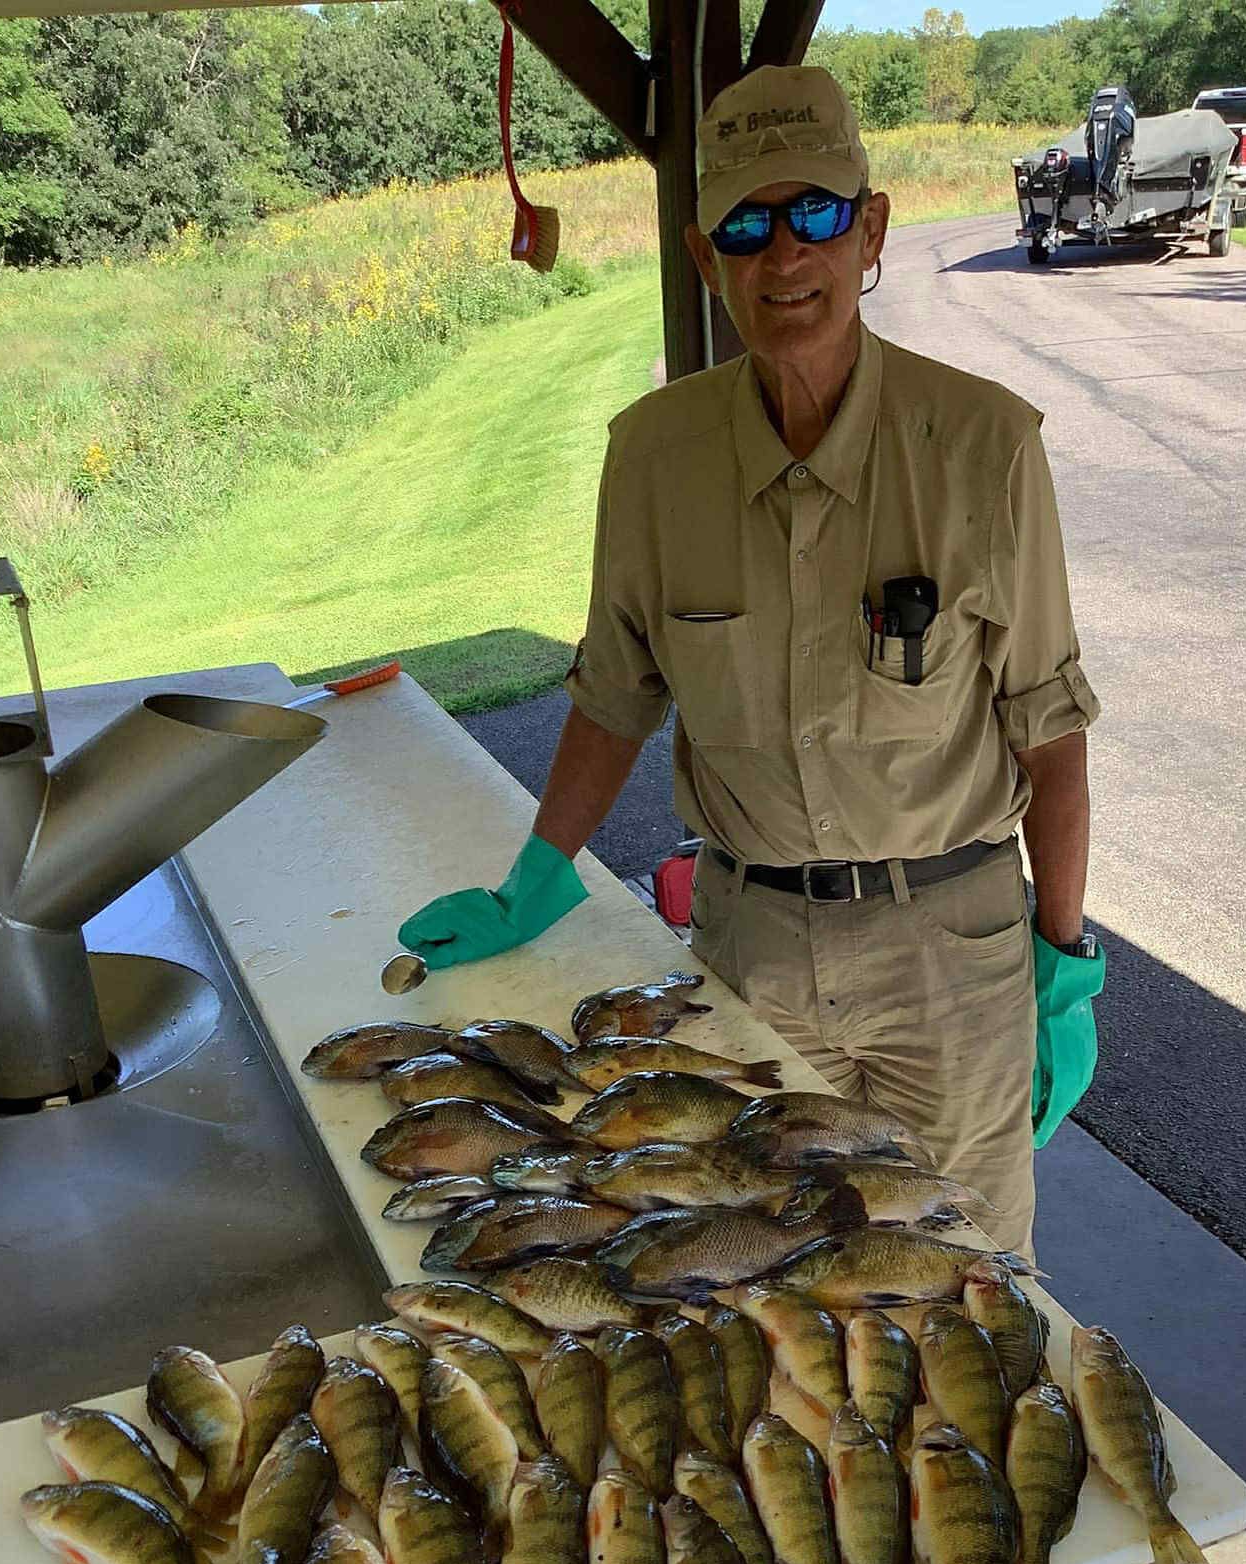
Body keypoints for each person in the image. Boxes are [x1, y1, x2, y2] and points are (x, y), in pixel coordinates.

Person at [399, 63, 1104, 1259]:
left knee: (971, 1277)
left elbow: (1051, 729)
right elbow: (615, 692)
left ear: (870, 224)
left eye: (817, 213)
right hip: (752, 944)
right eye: (747, 225)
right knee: (753, 1271)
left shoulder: (984, 447)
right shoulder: (653, 458)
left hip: (952, 953)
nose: (786, 257)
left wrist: (1064, 954)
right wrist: (539, 868)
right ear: (701, 251)